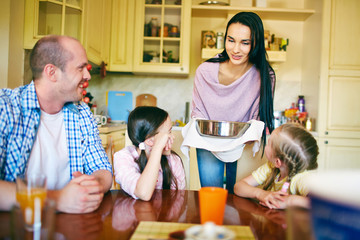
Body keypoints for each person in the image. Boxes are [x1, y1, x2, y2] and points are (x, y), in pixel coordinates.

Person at [0, 35, 113, 213]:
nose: (88, 75)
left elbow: (102, 169)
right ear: (52, 72)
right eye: (81, 68)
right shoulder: (5, 108)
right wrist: (58, 199)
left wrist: (94, 185)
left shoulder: (82, 113)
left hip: (73, 226)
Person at [191, 12, 275, 193]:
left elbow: (260, 118)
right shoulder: (205, 71)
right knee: (212, 197)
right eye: (231, 40)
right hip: (208, 143)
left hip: (245, 144)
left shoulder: (265, 76)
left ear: (256, 43)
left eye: (245, 42)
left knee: (239, 201)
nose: (236, 49)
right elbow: (198, 113)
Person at [234, 123, 319, 209]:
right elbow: (238, 187)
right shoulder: (270, 167)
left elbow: (323, 203)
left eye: (269, 143)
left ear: (277, 162)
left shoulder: (302, 178)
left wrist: (290, 200)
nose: (266, 145)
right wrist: (260, 193)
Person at [114, 106, 186, 201]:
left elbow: (178, 201)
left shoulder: (173, 161)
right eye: (168, 132)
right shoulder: (123, 158)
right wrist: (157, 148)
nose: (172, 137)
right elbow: (143, 193)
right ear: (150, 141)